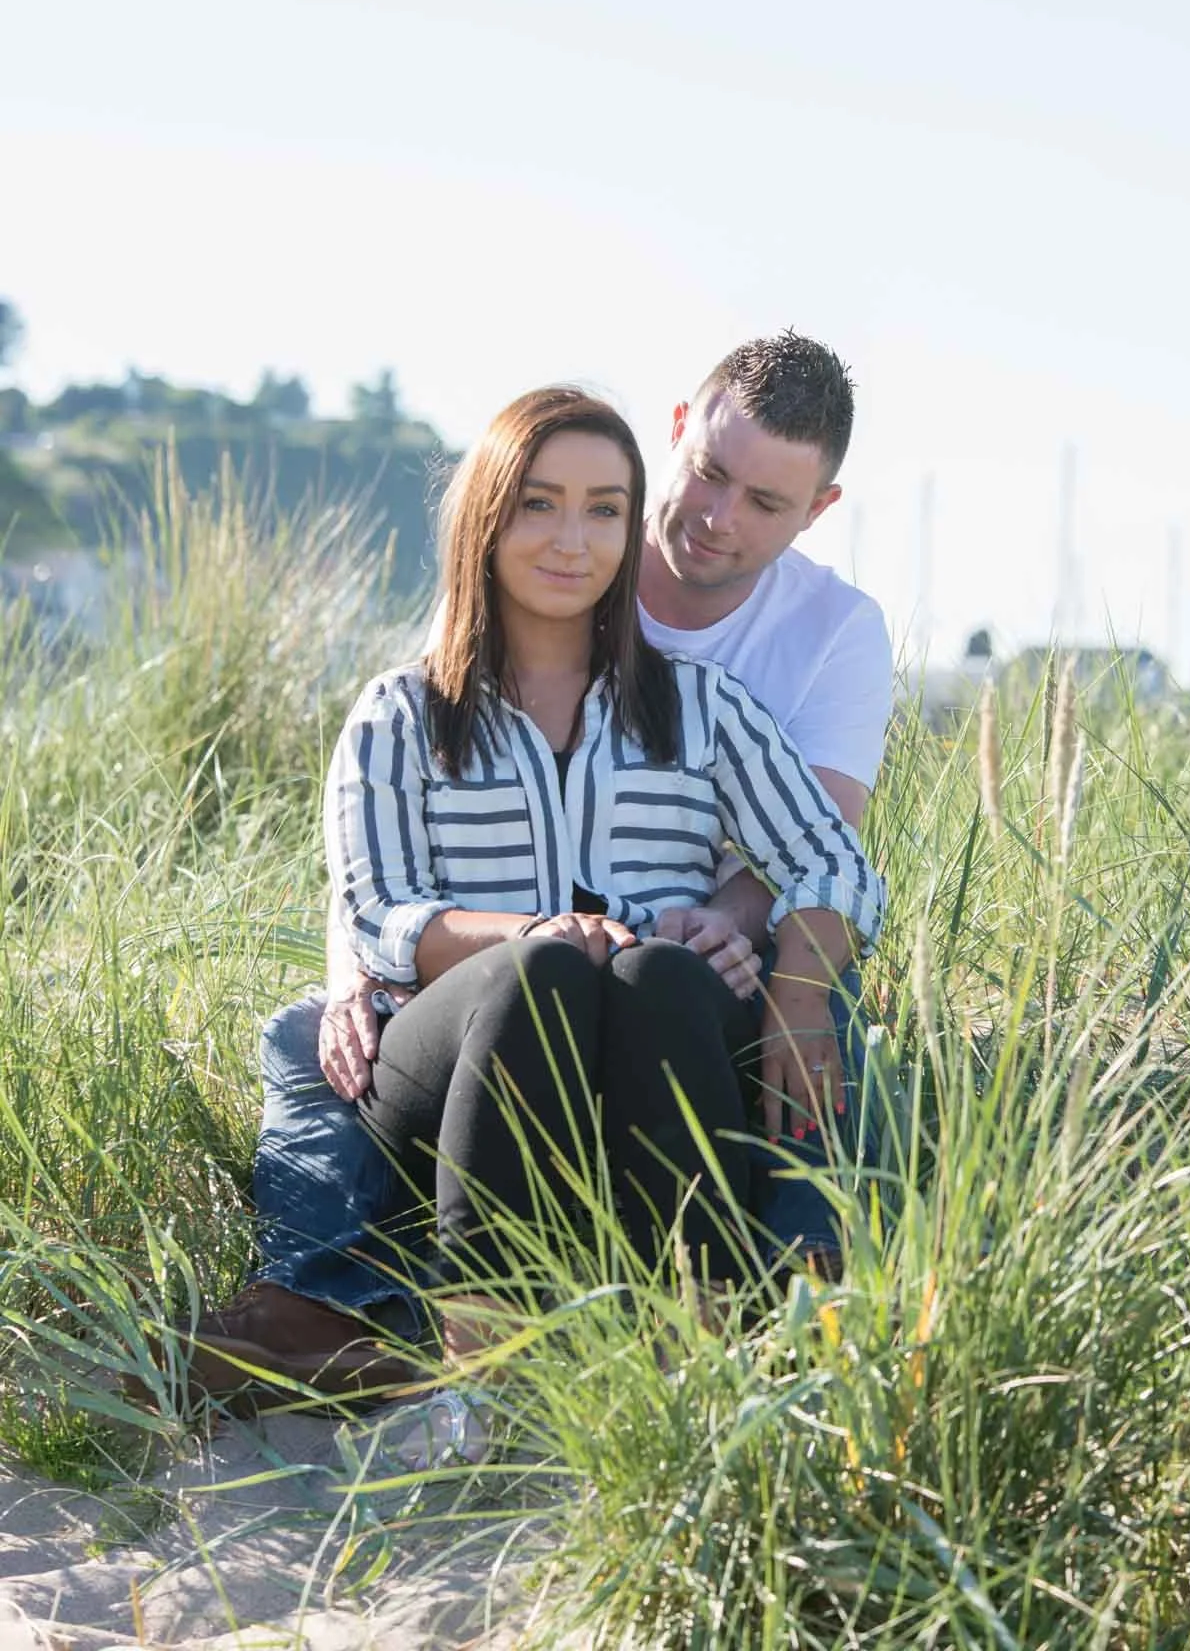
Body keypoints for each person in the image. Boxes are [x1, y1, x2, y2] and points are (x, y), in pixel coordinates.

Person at [184, 336, 892, 1398]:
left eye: (603, 509)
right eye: (538, 505)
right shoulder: (401, 711)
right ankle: (471, 1367)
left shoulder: (703, 704)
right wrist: (531, 931)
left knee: (662, 976)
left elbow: (835, 860)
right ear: (486, 518)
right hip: (462, 1055)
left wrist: (793, 985)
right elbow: (374, 907)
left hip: (656, 1050)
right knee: (541, 973)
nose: (572, 538)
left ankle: (695, 1339)